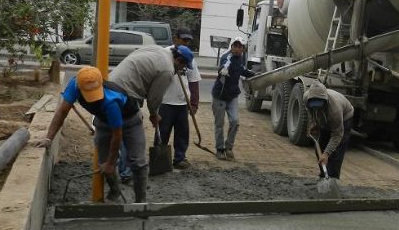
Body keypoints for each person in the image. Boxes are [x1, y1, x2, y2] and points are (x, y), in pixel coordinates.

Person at [35, 45, 194, 203]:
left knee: (138, 162)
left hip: (130, 120)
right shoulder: (77, 84)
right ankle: (115, 190)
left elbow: (117, 134)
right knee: (104, 162)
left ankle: (141, 203)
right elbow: (62, 112)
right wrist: (48, 138)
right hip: (106, 116)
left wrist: (112, 162)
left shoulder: (111, 101)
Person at [159, 27, 201, 170]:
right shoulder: (165, 53)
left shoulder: (189, 57)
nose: (186, 43)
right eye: (183, 40)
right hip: (165, 101)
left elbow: (194, 80)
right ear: (175, 39)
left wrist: (194, 102)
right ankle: (160, 160)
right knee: (163, 132)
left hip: (183, 102)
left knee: (182, 133)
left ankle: (179, 158)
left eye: (188, 40)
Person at [211, 37, 255, 160]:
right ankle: (220, 149)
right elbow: (225, 64)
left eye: (239, 46)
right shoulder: (227, 57)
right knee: (219, 124)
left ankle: (229, 147)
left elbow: (243, 71)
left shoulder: (240, 59)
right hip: (219, 96)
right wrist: (223, 70)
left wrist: (255, 74)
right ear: (231, 47)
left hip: (232, 97)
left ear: (243, 49)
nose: (236, 48)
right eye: (234, 46)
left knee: (235, 122)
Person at [304, 81, 355, 180]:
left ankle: (332, 179)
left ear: (325, 101)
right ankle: (324, 174)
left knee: (336, 150)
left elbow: (337, 135)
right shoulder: (306, 98)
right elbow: (310, 112)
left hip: (345, 117)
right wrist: (313, 124)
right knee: (319, 146)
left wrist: (326, 154)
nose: (317, 108)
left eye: (319, 105)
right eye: (315, 105)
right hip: (327, 116)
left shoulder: (335, 110)